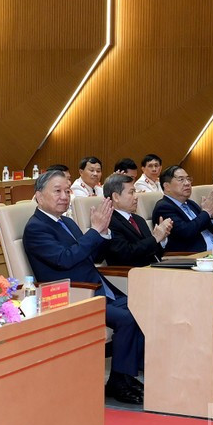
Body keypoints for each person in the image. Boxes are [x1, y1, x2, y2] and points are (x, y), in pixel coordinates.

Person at [22, 170, 144, 405]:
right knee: (127, 318)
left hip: (96, 287)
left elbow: (92, 255)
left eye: (67, 191)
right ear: (38, 196)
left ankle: (125, 377)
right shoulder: (36, 228)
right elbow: (65, 259)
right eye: (57, 191)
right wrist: (94, 231)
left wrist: (103, 232)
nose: (64, 196)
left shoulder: (66, 221)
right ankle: (119, 381)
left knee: (140, 307)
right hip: (71, 294)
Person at [103, 173, 172, 267]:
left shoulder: (138, 219)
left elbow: (153, 252)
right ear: (116, 197)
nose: (136, 196)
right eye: (131, 192)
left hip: (153, 270)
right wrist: (155, 238)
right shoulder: (109, 222)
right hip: (131, 275)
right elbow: (126, 253)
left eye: (135, 192)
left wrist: (162, 239)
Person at [152, 166, 213, 253]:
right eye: (181, 179)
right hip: (192, 255)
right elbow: (186, 232)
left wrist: (212, 217)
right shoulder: (163, 207)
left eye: (188, 179)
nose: (187, 183)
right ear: (167, 186)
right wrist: (206, 212)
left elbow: (210, 228)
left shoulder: (191, 204)